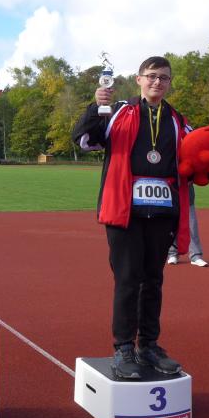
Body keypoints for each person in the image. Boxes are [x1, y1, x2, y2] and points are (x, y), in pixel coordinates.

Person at [72, 56, 190, 379]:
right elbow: (83, 139)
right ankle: (123, 347)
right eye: (151, 76)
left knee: (153, 280)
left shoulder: (178, 120)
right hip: (124, 211)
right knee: (127, 280)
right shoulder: (119, 112)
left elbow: (196, 153)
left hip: (162, 212)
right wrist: (96, 107)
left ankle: (148, 345)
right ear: (138, 79)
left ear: (169, 83)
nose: (157, 82)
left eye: (163, 77)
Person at [167, 185, 208, 266]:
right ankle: (172, 254)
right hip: (169, 193)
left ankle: (196, 256)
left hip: (187, 192)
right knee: (172, 225)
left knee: (192, 226)